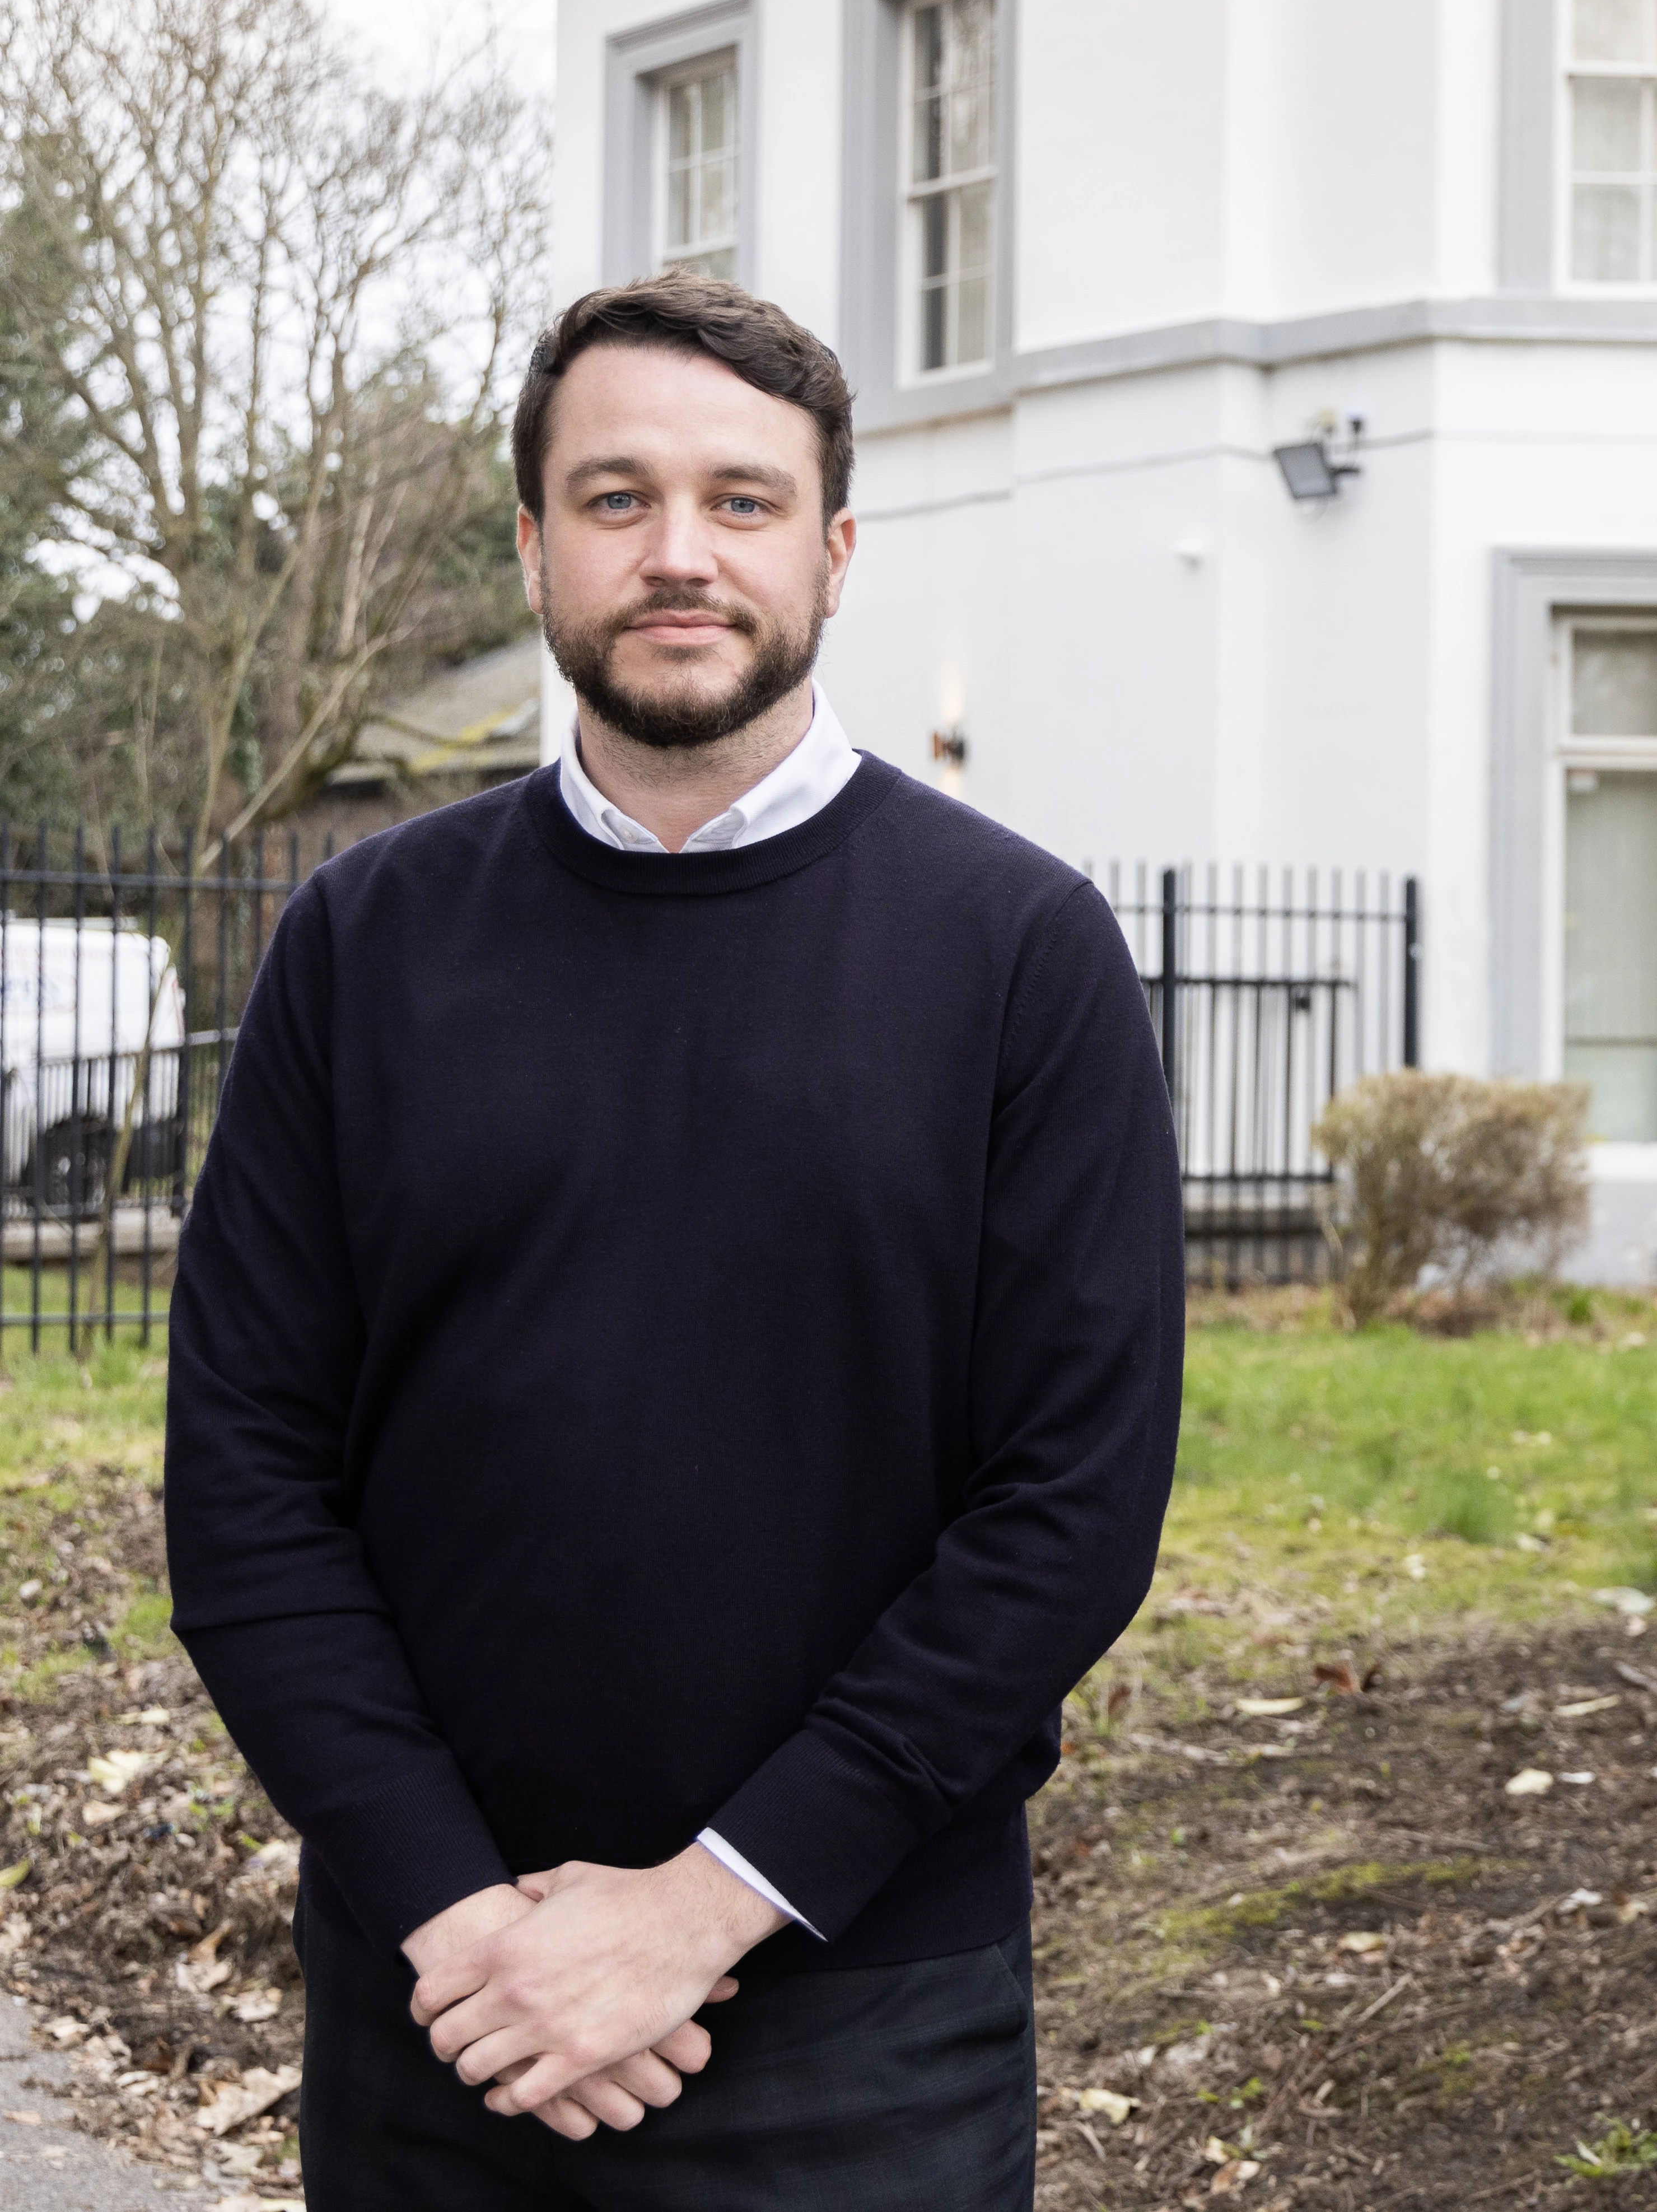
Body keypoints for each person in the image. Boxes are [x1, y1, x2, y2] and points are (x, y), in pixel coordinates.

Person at [163, 272, 1184, 2207]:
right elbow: (243, 1479)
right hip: (437, 1990)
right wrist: (459, 1913)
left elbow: (1070, 1506)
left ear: (836, 548)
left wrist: (705, 1907)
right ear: (538, 543)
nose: (681, 554)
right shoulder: (362, 947)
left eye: (743, 498)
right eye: (617, 499)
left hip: (862, 1995)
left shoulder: (1017, 955)